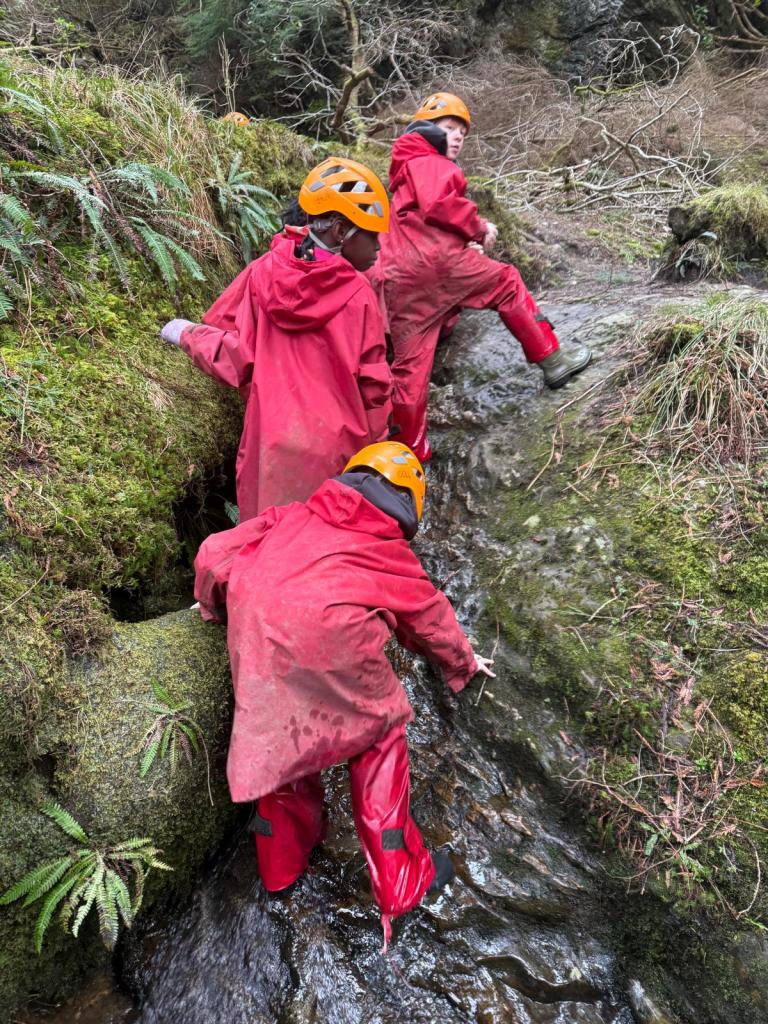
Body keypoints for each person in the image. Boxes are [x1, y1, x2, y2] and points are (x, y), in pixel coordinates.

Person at [192, 441, 495, 946]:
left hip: (264, 658)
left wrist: (215, 606)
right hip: (340, 661)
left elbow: (212, 555)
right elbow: (431, 620)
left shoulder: (288, 517)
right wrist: (463, 663)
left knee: (280, 758)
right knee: (379, 745)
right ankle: (401, 884)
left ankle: (280, 876)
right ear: (409, 504)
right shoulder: (388, 551)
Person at [160, 157, 393, 521]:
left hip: (268, 453)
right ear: (341, 230)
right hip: (337, 458)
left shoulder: (262, 273)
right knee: (320, 547)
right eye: (373, 234)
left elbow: (236, 356)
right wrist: (376, 456)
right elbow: (374, 389)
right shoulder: (360, 296)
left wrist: (187, 334)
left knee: (262, 545)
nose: (379, 247)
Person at [371, 92, 592, 462]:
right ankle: (553, 360)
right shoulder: (430, 161)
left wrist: (459, 243)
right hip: (438, 265)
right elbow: (440, 204)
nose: (457, 136)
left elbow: (420, 224)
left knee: (409, 369)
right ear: (425, 130)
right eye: (448, 128)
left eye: (462, 131)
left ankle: (409, 452)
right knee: (506, 282)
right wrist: (478, 228)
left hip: (401, 280)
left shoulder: (404, 170)